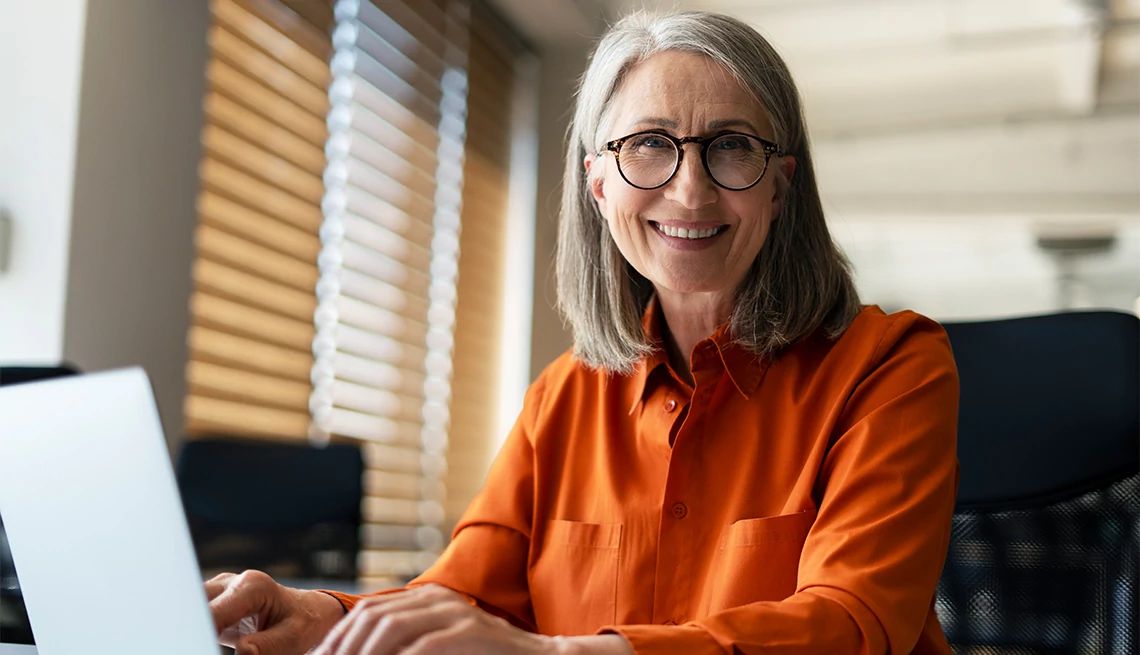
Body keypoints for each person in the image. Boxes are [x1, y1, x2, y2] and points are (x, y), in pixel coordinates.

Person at [207, 10, 958, 655]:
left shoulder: (892, 365)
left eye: (731, 145)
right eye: (649, 145)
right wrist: (318, 617)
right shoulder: (563, 397)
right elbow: (459, 600)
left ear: (779, 184)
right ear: (598, 184)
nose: (689, 189)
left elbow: (851, 626)